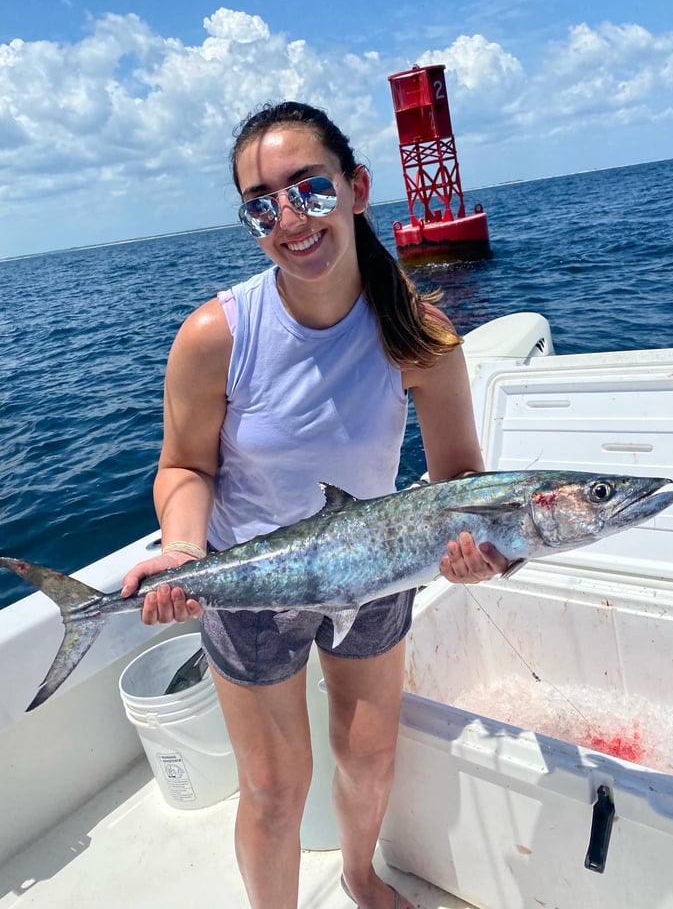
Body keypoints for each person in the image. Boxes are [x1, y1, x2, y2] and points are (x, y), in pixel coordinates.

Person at [122, 101, 508, 909]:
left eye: (310, 189)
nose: (289, 218)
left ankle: (362, 878)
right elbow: (184, 465)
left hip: (374, 571)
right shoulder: (216, 335)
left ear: (358, 188)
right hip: (250, 584)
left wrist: (471, 552)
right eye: (261, 204)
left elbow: (459, 478)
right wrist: (185, 550)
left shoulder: (418, 330)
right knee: (270, 792)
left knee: (367, 759)